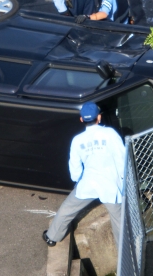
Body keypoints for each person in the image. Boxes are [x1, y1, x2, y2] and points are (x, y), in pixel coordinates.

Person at [42, 102, 125, 248]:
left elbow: (74, 167)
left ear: (81, 120)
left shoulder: (77, 140)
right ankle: (126, 258)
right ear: (99, 117)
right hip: (111, 186)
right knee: (119, 223)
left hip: (88, 184)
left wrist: (77, 180)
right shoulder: (110, 134)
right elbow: (122, 159)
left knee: (67, 209)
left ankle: (52, 237)